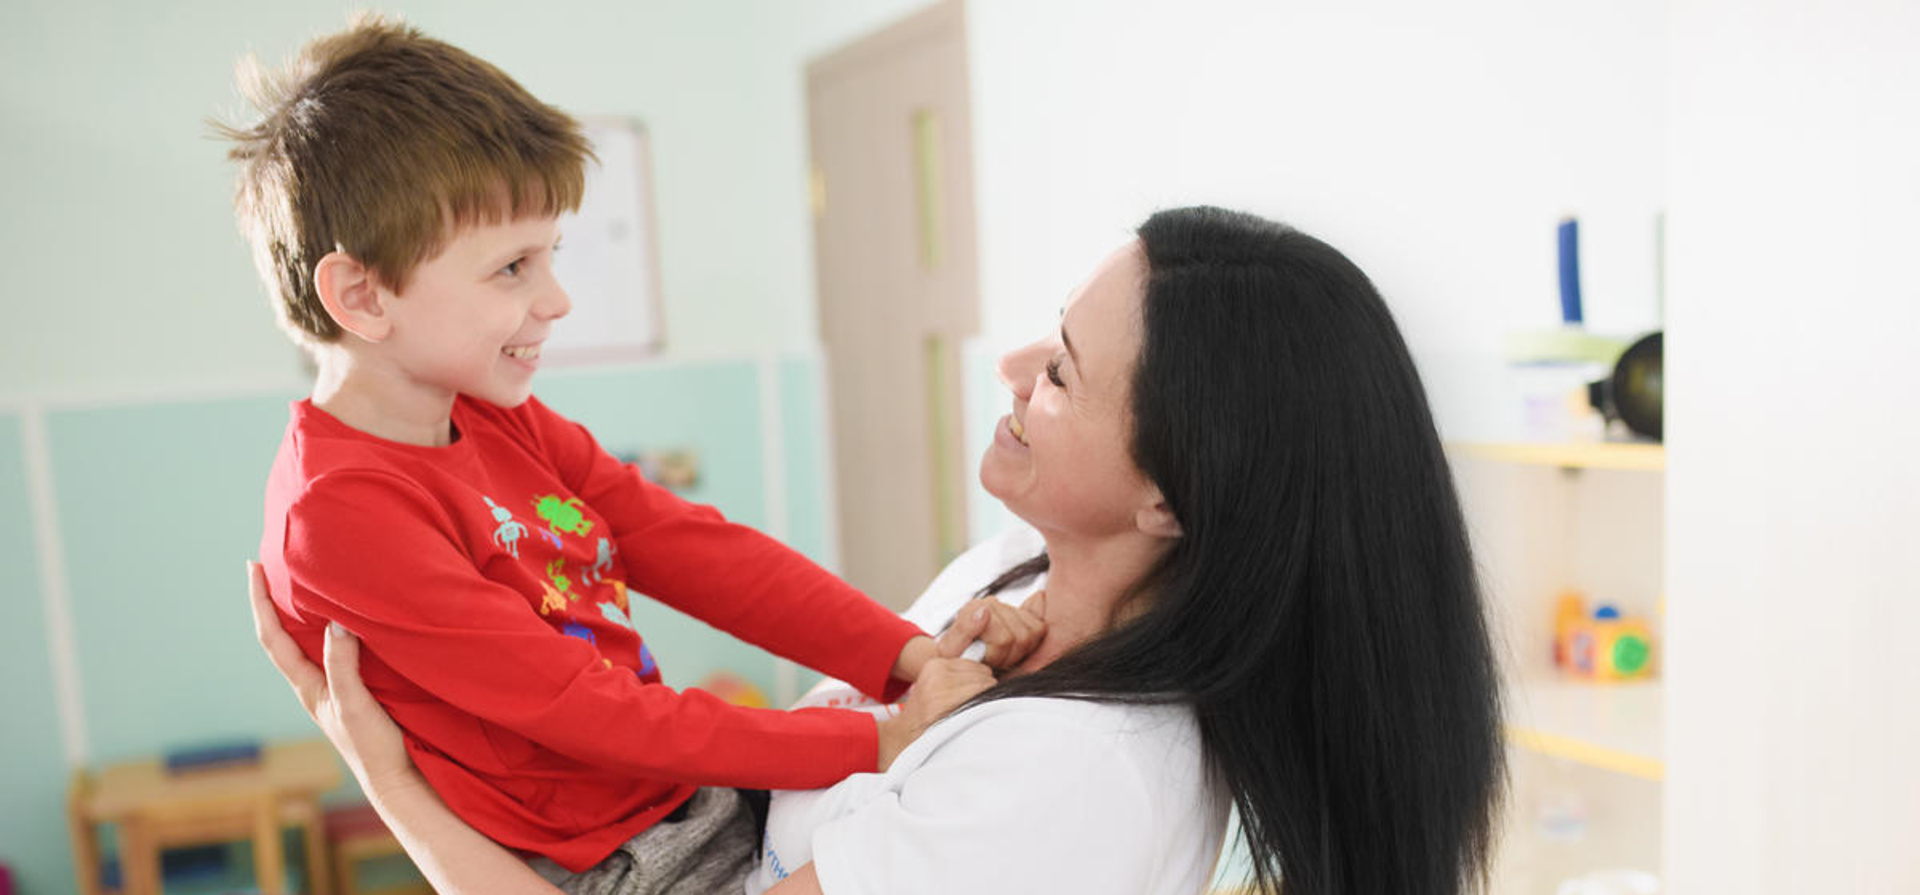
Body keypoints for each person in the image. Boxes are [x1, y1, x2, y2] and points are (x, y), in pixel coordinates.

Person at [253, 206, 1507, 895]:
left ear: (1173, 497)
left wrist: (396, 789)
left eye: (1062, 371)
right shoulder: (1005, 580)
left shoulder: (1084, 777)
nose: (1012, 370)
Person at [217, 14, 1043, 890]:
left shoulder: (494, 416)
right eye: (513, 268)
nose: (557, 298)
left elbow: (694, 548)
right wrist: (874, 737)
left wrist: (904, 653)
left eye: (553, 255)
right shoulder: (338, 512)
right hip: (617, 865)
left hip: (680, 799)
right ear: (362, 294)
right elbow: (581, 708)